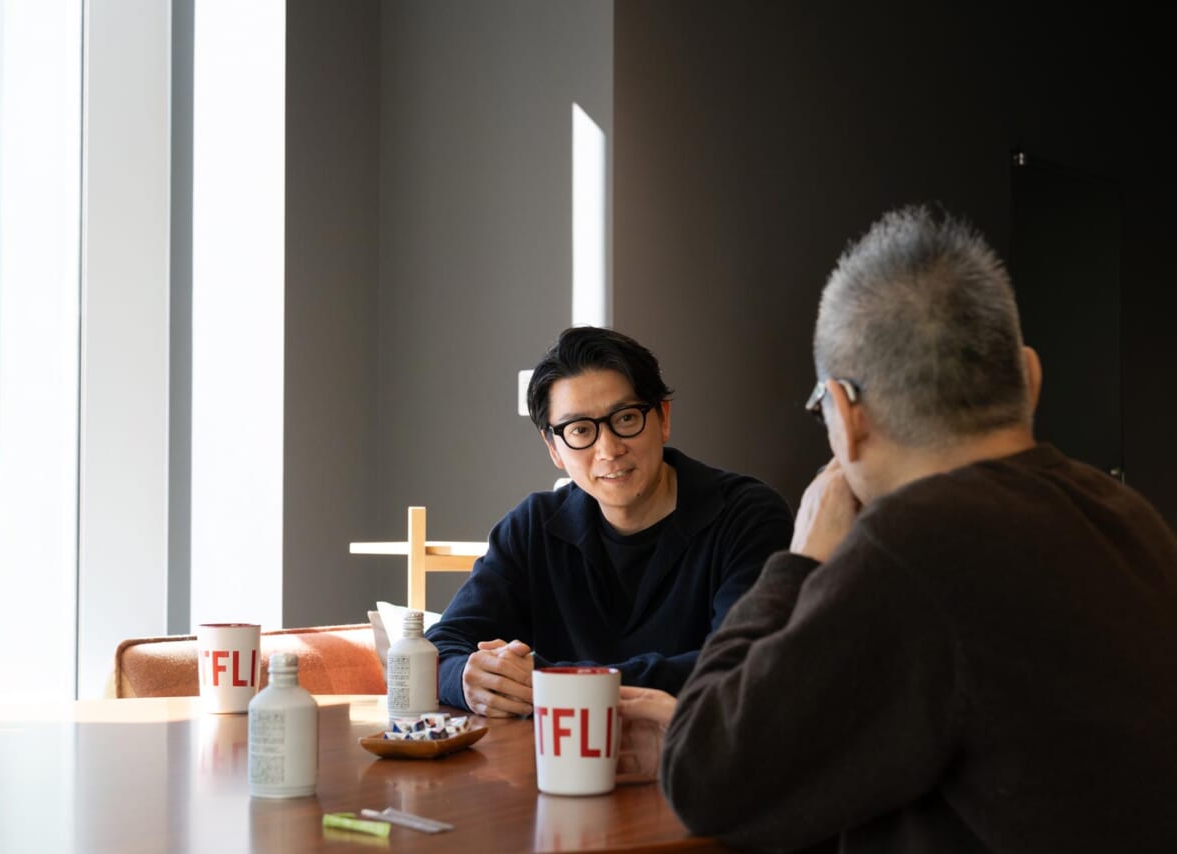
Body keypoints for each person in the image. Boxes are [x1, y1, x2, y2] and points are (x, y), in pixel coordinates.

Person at [629, 205, 1177, 852]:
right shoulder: (1130, 517)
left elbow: (703, 779)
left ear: (844, 413)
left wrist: (801, 561)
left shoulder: (913, 551)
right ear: (1029, 378)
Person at [425, 326, 793, 717]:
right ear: (554, 448)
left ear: (663, 418)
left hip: (693, 751)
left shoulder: (748, 516)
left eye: (626, 418)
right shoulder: (531, 528)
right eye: (580, 430)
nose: (609, 449)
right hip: (554, 753)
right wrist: (467, 677)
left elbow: (744, 664)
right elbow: (440, 647)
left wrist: (553, 681)